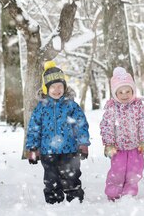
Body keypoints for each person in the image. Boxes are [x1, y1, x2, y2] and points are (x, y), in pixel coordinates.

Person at [25, 61, 90, 204]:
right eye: (52, 87)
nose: (56, 90)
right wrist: (33, 148)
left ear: (65, 87)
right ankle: (54, 203)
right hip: (48, 152)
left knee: (71, 177)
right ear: (46, 88)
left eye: (60, 86)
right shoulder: (41, 108)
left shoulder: (71, 106)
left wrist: (83, 144)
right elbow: (34, 129)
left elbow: (81, 125)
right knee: (51, 179)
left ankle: (75, 201)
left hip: (70, 151)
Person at [100, 67, 144, 201]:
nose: (124, 95)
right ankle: (113, 193)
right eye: (120, 92)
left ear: (133, 91)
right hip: (118, 149)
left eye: (128, 91)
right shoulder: (111, 108)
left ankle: (129, 194)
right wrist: (109, 144)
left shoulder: (139, 106)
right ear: (115, 93)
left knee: (134, 173)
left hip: (136, 148)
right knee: (117, 172)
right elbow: (106, 126)